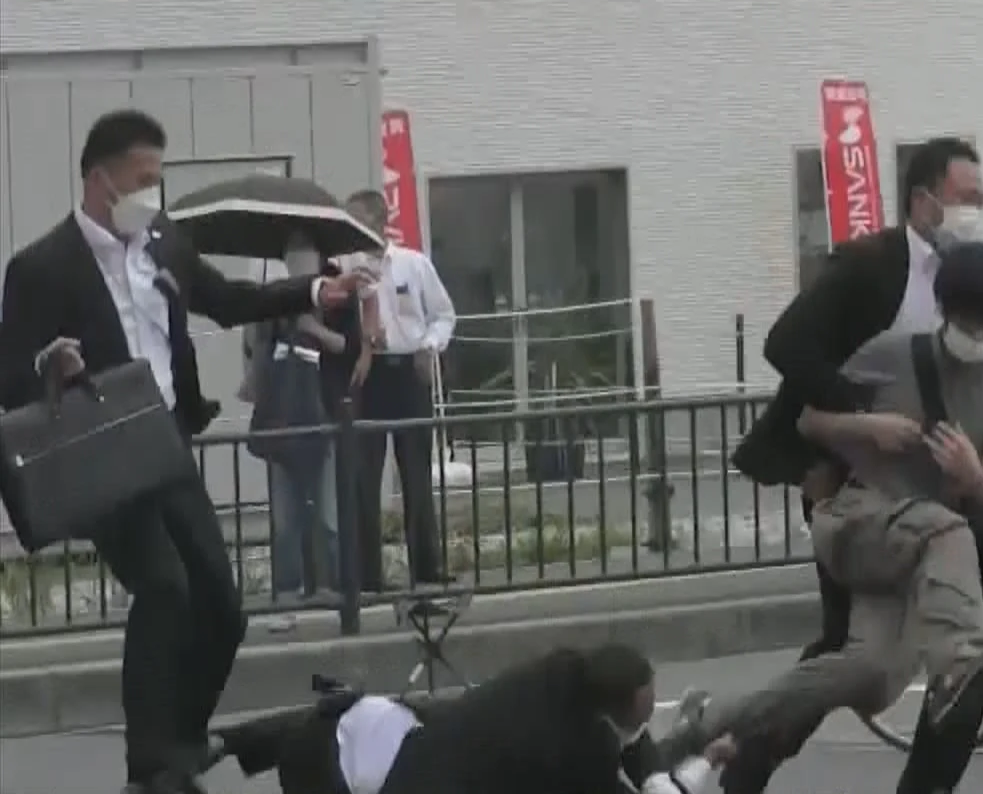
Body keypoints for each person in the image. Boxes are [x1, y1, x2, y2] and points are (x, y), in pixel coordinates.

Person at [0, 109, 363, 794]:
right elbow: (10, 375)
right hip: (101, 452)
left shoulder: (164, 242)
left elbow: (226, 300)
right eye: (144, 180)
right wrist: (51, 364)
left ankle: (182, 739)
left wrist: (315, 289)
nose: (153, 195)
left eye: (158, 180)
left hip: (166, 440)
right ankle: (151, 767)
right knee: (164, 588)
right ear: (99, 180)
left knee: (222, 606)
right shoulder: (41, 267)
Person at [666, 243, 983, 792]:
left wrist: (973, 476)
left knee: (869, 675)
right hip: (859, 519)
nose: (977, 334)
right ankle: (959, 667)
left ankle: (709, 722)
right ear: (944, 310)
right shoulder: (891, 354)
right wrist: (869, 427)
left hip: (917, 554)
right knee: (949, 531)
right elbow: (811, 420)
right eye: (967, 320)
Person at [214, 644, 732, 794]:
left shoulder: (563, 675)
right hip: (353, 774)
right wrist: (702, 761)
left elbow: (635, 743)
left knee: (328, 722)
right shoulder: (568, 756)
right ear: (608, 713)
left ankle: (215, 746)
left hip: (386, 733)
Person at [340, 190, 458, 589]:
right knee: (364, 477)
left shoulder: (413, 264)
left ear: (378, 221)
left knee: (417, 475)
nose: (352, 227)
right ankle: (367, 576)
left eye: (358, 219)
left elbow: (444, 315)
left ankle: (426, 568)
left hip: (408, 371)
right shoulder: (346, 269)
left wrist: (429, 347)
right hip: (368, 374)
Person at [240, 233, 350, 627]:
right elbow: (255, 350)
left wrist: (315, 330)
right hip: (280, 414)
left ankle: (334, 588)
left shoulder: (338, 289)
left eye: (304, 253)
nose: (297, 260)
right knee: (284, 515)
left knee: (327, 510)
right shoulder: (273, 298)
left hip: (324, 410)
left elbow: (348, 346)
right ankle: (286, 595)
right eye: (291, 255)